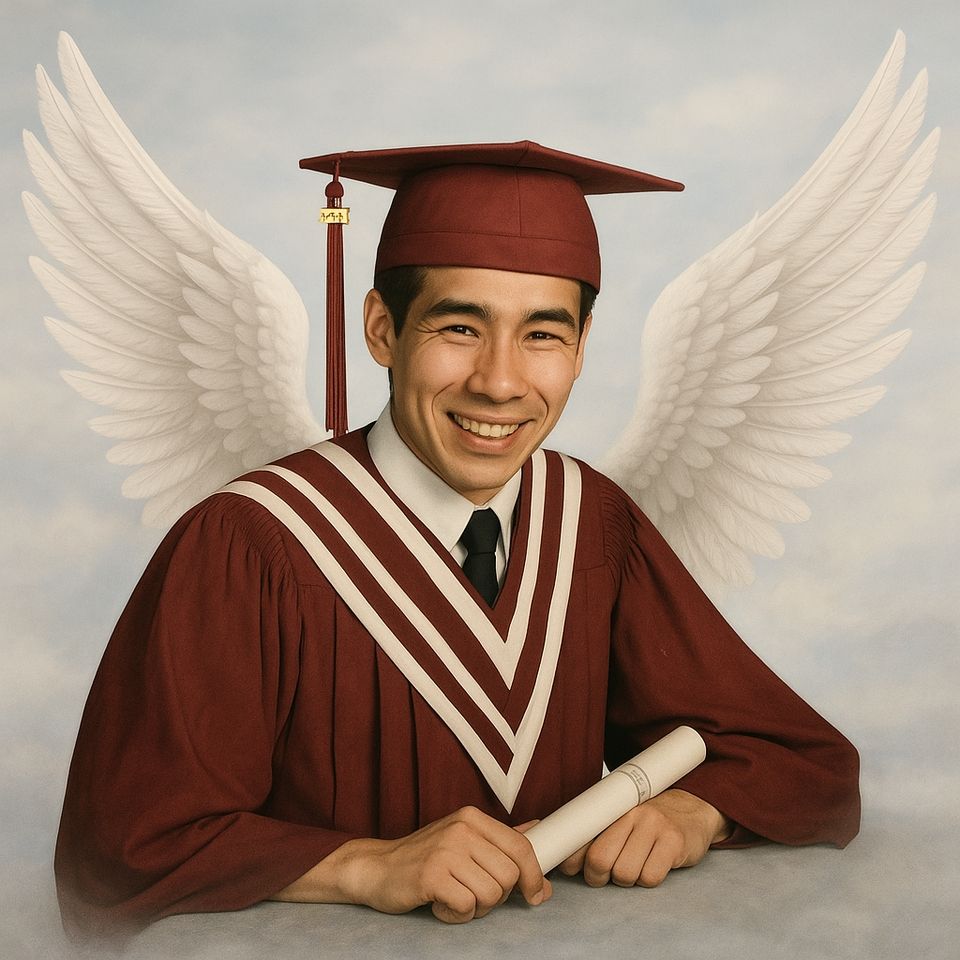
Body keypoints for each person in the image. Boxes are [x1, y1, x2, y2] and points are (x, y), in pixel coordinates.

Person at [54, 142, 860, 942]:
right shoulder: (252, 544)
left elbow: (802, 759)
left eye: (543, 334)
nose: (500, 382)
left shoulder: (592, 522)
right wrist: (364, 866)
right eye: (460, 327)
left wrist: (695, 810)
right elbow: (121, 852)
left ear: (581, 349)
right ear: (381, 330)